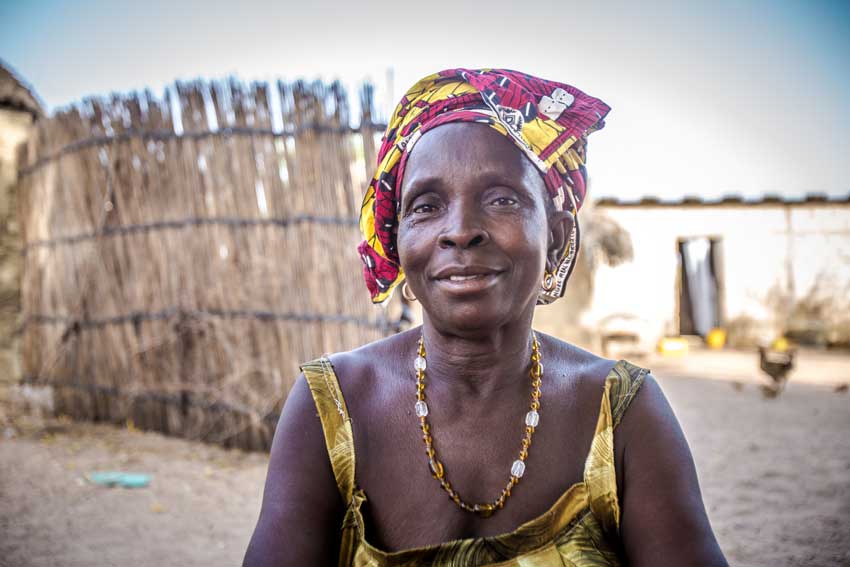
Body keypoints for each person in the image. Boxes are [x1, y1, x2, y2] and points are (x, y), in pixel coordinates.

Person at [244, 69, 728, 566]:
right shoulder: (331, 406)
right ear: (398, 242)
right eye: (426, 206)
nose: (460, 231)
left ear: (557, 238)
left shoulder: (623, 410)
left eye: (501, 199)